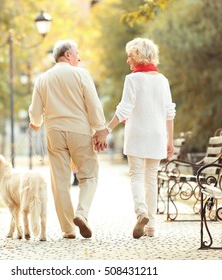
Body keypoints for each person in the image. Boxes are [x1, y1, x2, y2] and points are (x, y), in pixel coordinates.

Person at [94, 38, 176, 239]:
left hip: (138, 135)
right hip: (157, 136)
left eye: (130, 55)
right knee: (151, 179)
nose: (127, 60)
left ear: (139, 55)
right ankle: (151, 227)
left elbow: (124, 109)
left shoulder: (132, 79)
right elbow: (169, 112)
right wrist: (170, 140)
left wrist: (106, 130)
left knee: (137, 176)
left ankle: (141, 213)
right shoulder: (162, 80)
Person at [28, 39, 108, 239]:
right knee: (89, 175)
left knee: (60, 181)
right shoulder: (81, 74)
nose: (79, 57)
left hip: (54, 132)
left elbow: (35, 111)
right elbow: (93, 104)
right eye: (77, 53)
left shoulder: (43, 79)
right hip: (79, 130)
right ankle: (81, 213)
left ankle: (68, 229)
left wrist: (36, 123)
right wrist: (100, 129)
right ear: (68, 55)